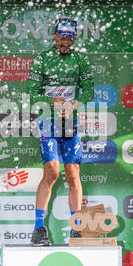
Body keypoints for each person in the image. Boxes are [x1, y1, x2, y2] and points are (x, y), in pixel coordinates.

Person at [27, 17, 94, 246]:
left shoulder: (80, 59)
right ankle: (38, 228)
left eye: (70, 39)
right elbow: (31, 93)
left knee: (73, 173)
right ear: (54, 35)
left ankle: (76, 228)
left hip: (71, 123)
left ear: (74, 38)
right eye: (62, 38)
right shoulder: (42, 60)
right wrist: (50, 100)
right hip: (48, 121)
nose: (66, 43)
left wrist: (75, 103)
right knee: (52, 173)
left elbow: (89, 90)